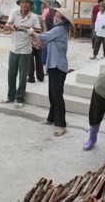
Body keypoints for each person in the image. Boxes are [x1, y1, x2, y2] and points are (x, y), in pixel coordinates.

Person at [30, 8, 72, 136]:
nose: (55, 18)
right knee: (52, 94)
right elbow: (47, 42)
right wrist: (39, 44)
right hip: (53, 66)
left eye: (58, 16)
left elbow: (42, 36)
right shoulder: (58, 31)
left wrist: (31, 31)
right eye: (56, 15)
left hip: (58, 66)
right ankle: (51, 118)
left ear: (63, 20)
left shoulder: (59, 29)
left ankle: (61, 124)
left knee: (57, 96)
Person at [1, 0, 41, 108]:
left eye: (27, 2)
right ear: (19, 3)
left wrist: (28, 30)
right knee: (11, 74)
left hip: (25, 51)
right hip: (13, 49)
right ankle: (10, 96)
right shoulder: (14, 13)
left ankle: (20, 98)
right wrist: (9, 26)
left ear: (30, 4)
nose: (24, 4)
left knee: (23, 76)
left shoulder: (33, 17)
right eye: (22, 2)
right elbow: (7, 24)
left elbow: (39, 30)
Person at [27, 5, 46, 83]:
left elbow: (26, 31)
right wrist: (41, 39)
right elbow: (45, 29)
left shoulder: (27, 18)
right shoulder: (40, 17)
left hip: (30, 43)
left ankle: (31, 78)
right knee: (39, 60)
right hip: (39, 42)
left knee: (30, 61)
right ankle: (41, 77)